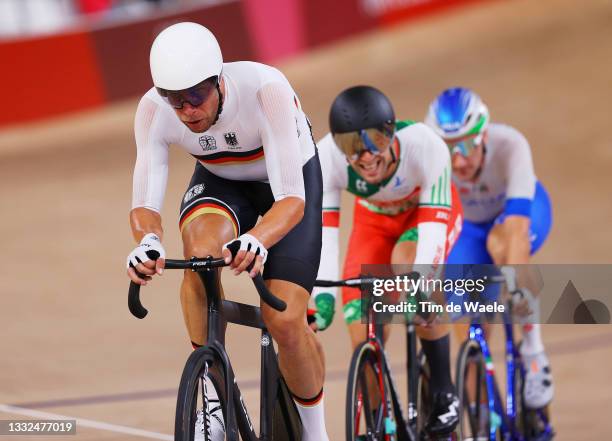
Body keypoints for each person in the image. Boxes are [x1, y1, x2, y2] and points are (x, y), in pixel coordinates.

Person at [125, 22, 329, 441]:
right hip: (222, 181)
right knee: (199, 253)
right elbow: (144, 201)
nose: (186, 111)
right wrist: (147, 242)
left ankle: (315, 433)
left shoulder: (265, 90)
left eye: (195, 97)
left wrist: (259, 238)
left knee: (285, 318)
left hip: (287, 184)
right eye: (174, 101)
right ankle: (213, 404)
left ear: (219, 80)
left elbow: (291, 200)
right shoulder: (152, 109)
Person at [312, 85, 463, 436]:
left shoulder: (426, 146)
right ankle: (380, 424)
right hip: (374, 224)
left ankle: (443, 391)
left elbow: (432, 233)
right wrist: (323, 295)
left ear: (391, 134)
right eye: (352, 146)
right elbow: (325, 233)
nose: (365, 156)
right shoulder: (326, 159)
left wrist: (421, 285)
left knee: (407, 264)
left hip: (425, 218)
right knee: (361, 325)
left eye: (374, 142)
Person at [425, 87, 554, 410]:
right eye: (448, 148)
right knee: (464, 319)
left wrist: (511, 281)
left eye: (467, 144)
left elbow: (517, 227)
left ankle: (533, 352)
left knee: (505, 247)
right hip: (469, 229)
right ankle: (483, 413)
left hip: (519, 214)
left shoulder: (511, 145)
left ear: (483, 134)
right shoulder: (432, 162)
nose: (459, 159)